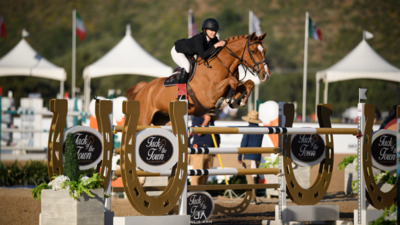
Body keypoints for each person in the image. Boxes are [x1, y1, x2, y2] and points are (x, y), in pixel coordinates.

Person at [170, 18, 226, 84]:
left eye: (215, 31)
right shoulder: (199, 39)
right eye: (211, 30)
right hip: (178, 51)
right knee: (187, 66)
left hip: (190, 53)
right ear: (205, 30)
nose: (213, 33)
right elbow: (203, 55)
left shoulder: (214, 39)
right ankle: (181, 92)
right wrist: (215, 46)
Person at [238, 110, 264, 204]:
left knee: (250, 179)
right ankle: (254, 197)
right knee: (254, 178)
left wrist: (239, 156)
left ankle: (252, 198)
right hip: (257, 156)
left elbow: (243, 143)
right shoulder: (262, 130)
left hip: (248, 156)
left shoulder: (248, 129)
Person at [190, 113, 219, 185]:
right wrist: (206, 120)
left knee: (206, 174)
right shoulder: (197, 118)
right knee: (197, 174)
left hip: (209, 150)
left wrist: (216, 148)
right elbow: (198, 132)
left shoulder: (211, 121)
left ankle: (201, 191)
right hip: (199, 150)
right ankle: (194, 192)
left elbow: (216, 136)